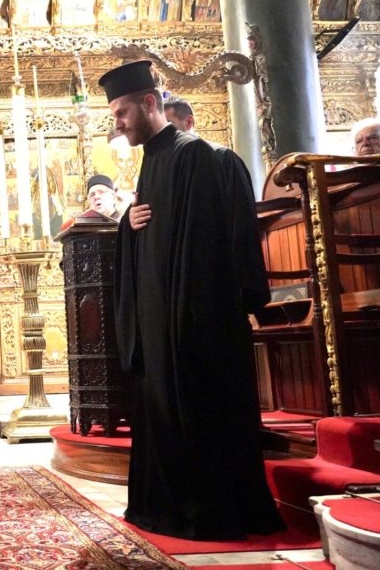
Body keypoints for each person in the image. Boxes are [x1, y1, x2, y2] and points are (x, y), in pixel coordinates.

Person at [99, 60, 285, 541]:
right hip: (158, 317)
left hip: (187, 321)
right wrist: (128, 225)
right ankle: (161, 507)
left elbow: (205, 248)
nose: (118, 124)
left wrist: (183, 322)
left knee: (197, 417)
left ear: (149, 103)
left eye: (121, 113)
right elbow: (151, 232)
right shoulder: (153, 159)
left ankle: (201, 514)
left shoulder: (194, 154)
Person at [160, 95, 269, 314]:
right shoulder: (164, 168)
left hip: (219, 273)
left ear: (188, 123)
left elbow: (241, 222)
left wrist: (243, 285)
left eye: (169, 125)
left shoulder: (222, 158)